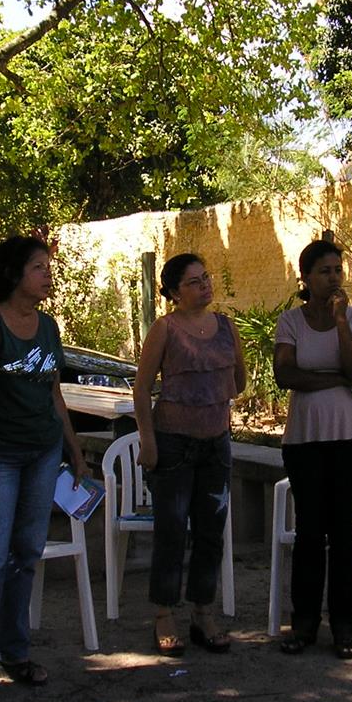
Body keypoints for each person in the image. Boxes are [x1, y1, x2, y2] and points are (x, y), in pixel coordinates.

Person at [0, 236, 90, 702]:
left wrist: (74, 450)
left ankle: (14, 652)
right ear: (13, 274)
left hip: (43, 453)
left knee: (26, 553)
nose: (48, 274)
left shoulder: (47, 326)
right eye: (38, 267)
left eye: (48, 266)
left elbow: (53, 394)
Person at [133, 252, 247, 658]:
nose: (205, 285)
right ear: (174, 292)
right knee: (171, 530)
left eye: (206, 277)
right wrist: (148, 441)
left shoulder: (226, 327)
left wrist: (214, 393)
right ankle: (164, 614)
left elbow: (239, 380)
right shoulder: (165, 329)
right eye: (194, 281)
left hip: (216, 443)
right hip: (173, 443)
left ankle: (203, 613)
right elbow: (141, 388)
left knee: (211, 532)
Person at [272, 239, 352, 659]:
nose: (333, 278)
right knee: (310, 532)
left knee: (345, 532)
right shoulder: (290, 321)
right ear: (306, 278)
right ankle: (305, 624)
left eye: (337, 270)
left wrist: (341, 323)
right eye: (324, 271)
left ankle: (345, 627)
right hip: (303, 439)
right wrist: (335, 380)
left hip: (350, 437)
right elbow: (285, 374)